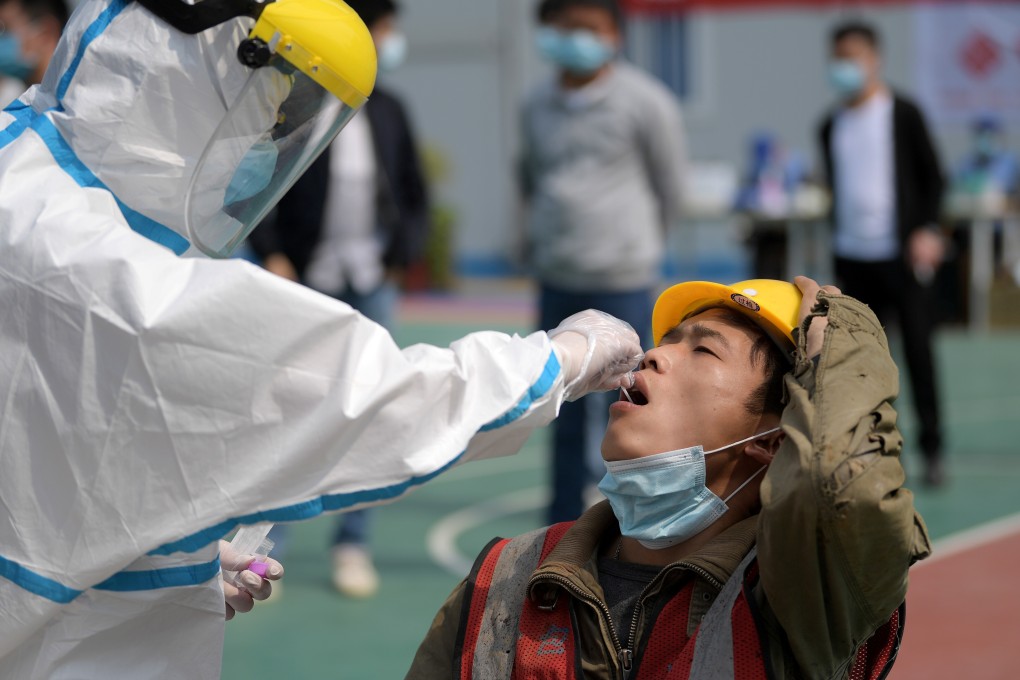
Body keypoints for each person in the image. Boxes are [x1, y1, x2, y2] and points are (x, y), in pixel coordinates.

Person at [0, 0, 643, 676]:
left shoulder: (30, 164)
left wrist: (146, 553)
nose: (261, 143)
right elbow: (366, 395)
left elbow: (53, 428)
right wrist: (562, 359)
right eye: (270, 106)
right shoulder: (108, 266)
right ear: (211, 66)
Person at [407, 276, 932, 679]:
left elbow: (850, 493)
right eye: (668, 340)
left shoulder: (795, 603)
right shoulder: (504, 579)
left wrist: (846, 333)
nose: (654, 354)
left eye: (703, 349)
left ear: (774, 440)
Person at [249, 0, 426, 600]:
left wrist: (402, 257)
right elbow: (256, 183)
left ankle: (353, 542)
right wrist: (271, 250)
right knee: (291, 406)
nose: (393, 40)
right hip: (307, 279)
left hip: (370, 280)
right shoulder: (299, 103)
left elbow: (412, 191)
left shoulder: (394, 109)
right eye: (387, 30)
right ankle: (267, 545)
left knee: (372, 407)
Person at [521, 0, 687, 524]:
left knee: (637, 402)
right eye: (565, 27)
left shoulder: (646, 101)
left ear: (615, 34)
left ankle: (645, 521)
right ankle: (562, 523)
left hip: (624, 277)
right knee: (559, 403)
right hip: (559, 274)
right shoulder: (534, 104)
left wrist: (643, 248)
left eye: (589, 28)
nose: (576, 38)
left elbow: (671, 186)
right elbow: (529, 177)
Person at [818, 21, 947, 486]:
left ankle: (933, 448)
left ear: (875, 59)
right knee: (859, 363)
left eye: (852, 57)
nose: (844, 68)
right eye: (837, 58)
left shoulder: (903, 113)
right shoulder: (830, 124)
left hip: (902, 258)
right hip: (852, 259)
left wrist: (927, 230)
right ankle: (872, 451)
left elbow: (934, 178)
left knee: (917, 352)